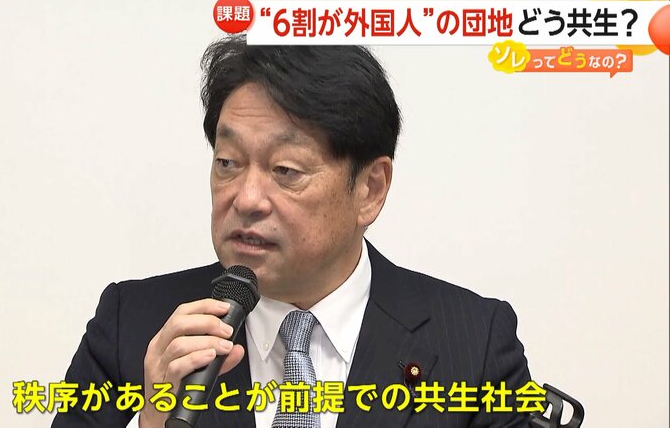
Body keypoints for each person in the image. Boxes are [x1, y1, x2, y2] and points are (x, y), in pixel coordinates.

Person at [52, 34, 532, 428]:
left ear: (370, 188)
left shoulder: (474, 342)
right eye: (228, 163)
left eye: (285, 170)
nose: (246, 198)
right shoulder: (133, 325)